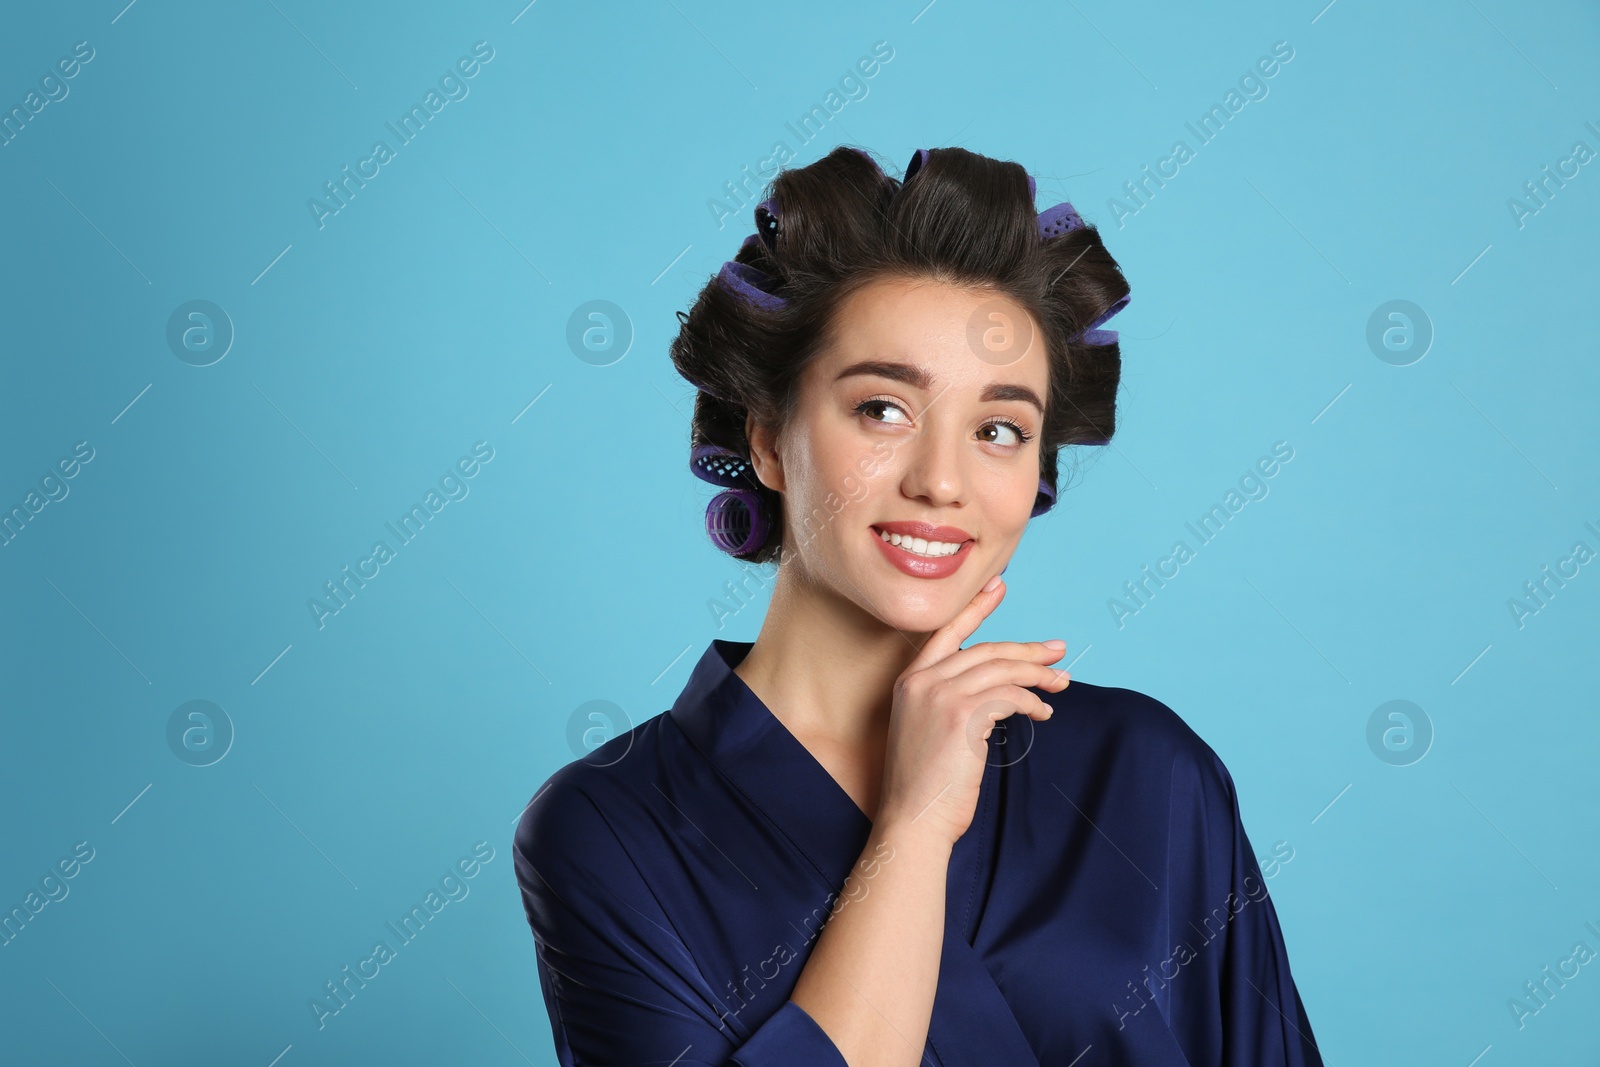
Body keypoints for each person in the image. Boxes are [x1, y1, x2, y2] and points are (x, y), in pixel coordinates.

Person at [512, 145, 1324, 1066]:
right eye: (883, 410)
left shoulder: (1144, 775)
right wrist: (913, 826)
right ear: (770, 438)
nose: (942, 480)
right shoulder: (612, 827)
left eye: (999, 429)